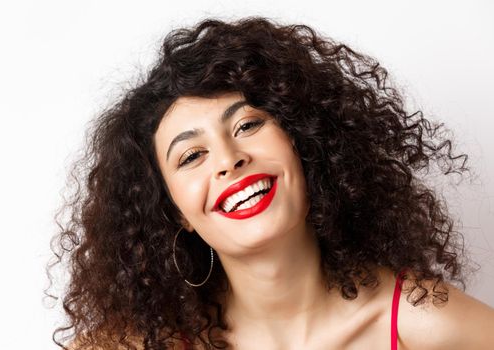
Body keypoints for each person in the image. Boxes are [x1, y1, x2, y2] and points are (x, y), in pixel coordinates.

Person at [50, 17, 494, 349]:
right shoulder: (135, 345)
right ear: (175, 212)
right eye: (191, 156)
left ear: (305, 143)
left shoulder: (429, 323)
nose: (229, 159)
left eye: (247, 126)